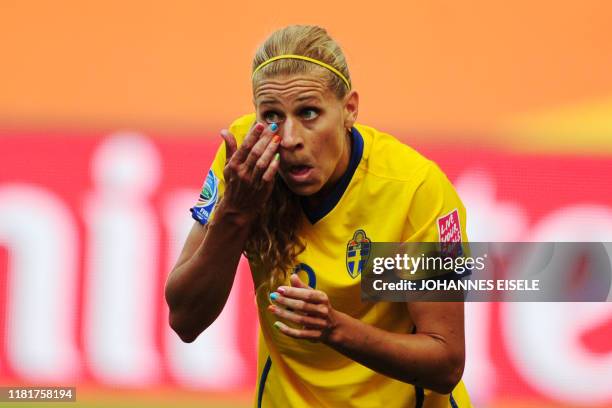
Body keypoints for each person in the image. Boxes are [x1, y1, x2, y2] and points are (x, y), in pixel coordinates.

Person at [165, 25, 472, 408]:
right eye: (272, 116)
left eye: (309, 112)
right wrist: (236, 212)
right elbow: (185, 320)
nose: (289, 137)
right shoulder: (248, 161)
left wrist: (333, 329)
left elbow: (445, 361)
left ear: (349, 110)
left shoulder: (411, 190)